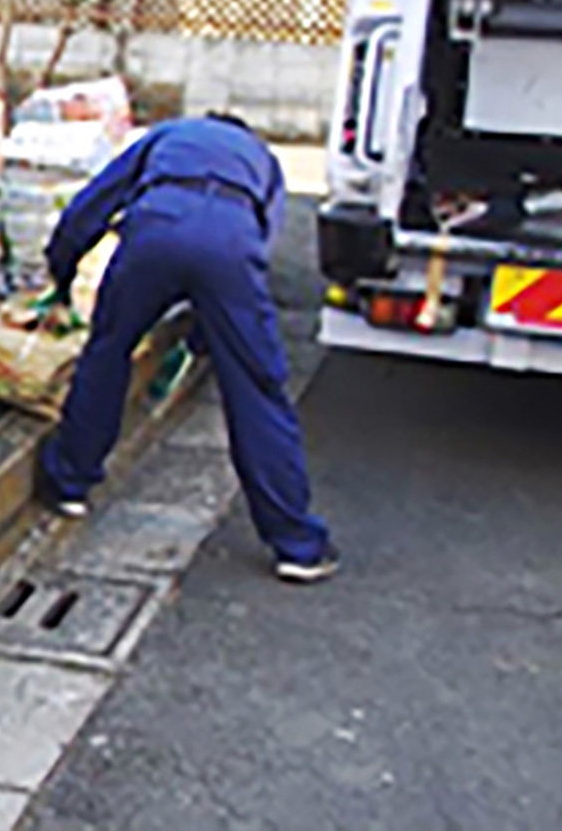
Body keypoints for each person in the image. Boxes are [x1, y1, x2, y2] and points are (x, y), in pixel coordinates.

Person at [37, 113, 339, 583]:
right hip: (231, 242)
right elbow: (260, 245)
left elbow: (94, 203)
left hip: (156, 227)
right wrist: (208, 338)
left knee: (108, 350)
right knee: (258, 390)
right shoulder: (264, 161)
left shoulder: (170, 133)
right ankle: (295, 544)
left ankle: (71, 483)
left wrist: (61, 269)